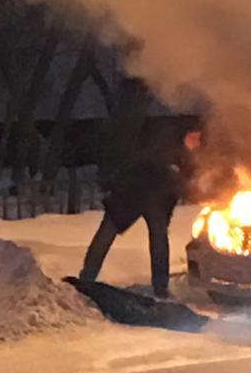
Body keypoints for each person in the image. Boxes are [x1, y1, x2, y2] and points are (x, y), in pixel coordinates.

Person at [80, 124, 196, 299]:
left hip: (156, 201)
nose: (197, 142)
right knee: (107, 233)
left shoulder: (187, 159)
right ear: (185, 135)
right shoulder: (166, 148)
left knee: (159, 240)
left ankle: (160, 287)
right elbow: (163, 174)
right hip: (131, 194)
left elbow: (178, 189)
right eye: (194, 137)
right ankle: (87, 278)